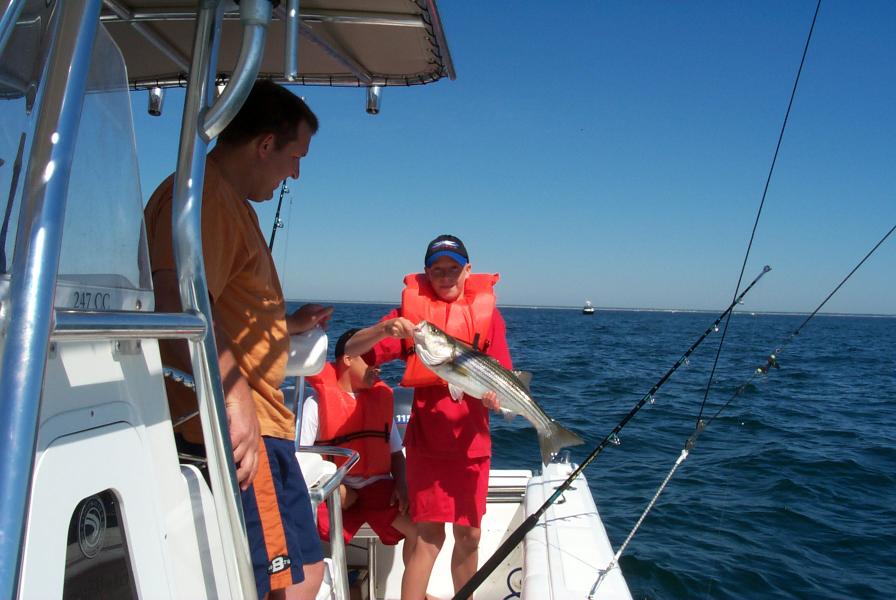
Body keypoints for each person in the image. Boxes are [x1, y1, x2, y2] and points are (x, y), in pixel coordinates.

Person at [144, 80, 332, 600]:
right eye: (295, 157)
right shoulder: (207, 200)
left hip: (262, 424)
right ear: (265, 144)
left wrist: (286, 325)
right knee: (283, 585)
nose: (296, 173)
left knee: (304, 573)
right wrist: (235, 396)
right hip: (243, 431)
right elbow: (177, 305)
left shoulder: (225, 200)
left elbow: (222, 306)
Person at [343, 235, 511, 600]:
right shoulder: (411, 321)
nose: (446, 277)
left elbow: (503, 375)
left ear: (468, 271)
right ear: (426, 273)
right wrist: (384, 330)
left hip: (472, 445)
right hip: (427, 446)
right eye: (437, 270)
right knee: (428, 537)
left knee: (470, 535)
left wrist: (497, 401)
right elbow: (351, 350)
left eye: (454, 268)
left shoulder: (490, 318)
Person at [299, 329, 417, 564]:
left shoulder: (381, 402)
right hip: (334, 490)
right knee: (297, 524)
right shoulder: (315, 404)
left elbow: (396, 454)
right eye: (370, 358)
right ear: (347, 359)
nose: (378, 367)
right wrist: (336, 489)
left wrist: (402, 484)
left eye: (379, 360)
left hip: (377, 488)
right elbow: (300, 460)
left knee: (421, 531)